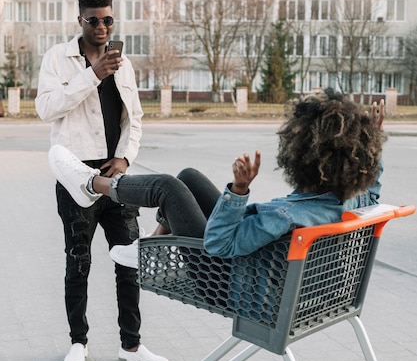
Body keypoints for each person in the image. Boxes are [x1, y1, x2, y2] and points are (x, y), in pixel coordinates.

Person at [47, 91, 385, 267]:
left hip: (223, 275)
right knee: (190, 177)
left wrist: (239, 192)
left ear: (305, 160)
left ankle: (92, 184)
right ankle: (149, 247)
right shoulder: (348, 199)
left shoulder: (283, 217)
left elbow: (220, 245)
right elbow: (373, 191)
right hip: (252, 268)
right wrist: (371, 144)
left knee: (168, 186)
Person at [36, 0, 168, 361]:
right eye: (94, 20)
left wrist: (125, 158)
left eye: (108, 20)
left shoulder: (123, 64)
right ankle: (78, 342)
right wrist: (92, 75)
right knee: (78, 261)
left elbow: (135, 120)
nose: (102, 27)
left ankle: (132, 345)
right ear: (81, 20)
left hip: (117, 175)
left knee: (129, 260)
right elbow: (46, 108)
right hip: (77, 174)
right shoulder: (59, 59)